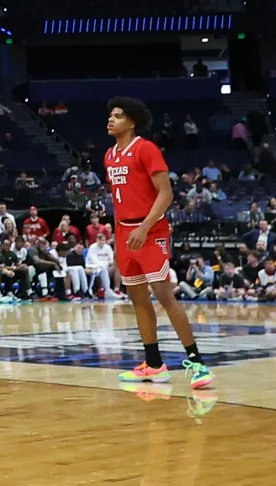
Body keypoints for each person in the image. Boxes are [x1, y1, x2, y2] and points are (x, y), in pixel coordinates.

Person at [104, 97, 212, 390]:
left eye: (117, 116)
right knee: (137, 299)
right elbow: (117, 201)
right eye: (110, 115)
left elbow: (165, 194)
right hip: (126, 234)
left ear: (132, 122)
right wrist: (119, 241)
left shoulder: (146, 149)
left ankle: (198, 364)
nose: (111, 119)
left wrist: (144, 227)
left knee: (164, 295)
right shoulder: (110, 156)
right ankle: (153, 364)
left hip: (150, 230)